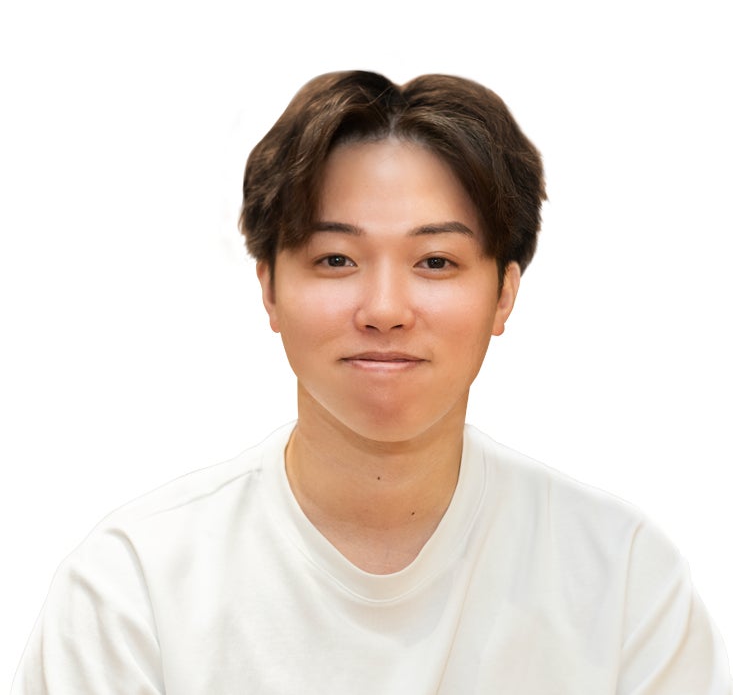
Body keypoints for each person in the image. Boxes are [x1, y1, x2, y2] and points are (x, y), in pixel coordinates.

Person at [12, 70, 732, 693]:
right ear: (268, 287)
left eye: (436, 262)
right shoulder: (131, 591)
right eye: (335, 260)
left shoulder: (623, 580)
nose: (385, 309)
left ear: (504, 294)